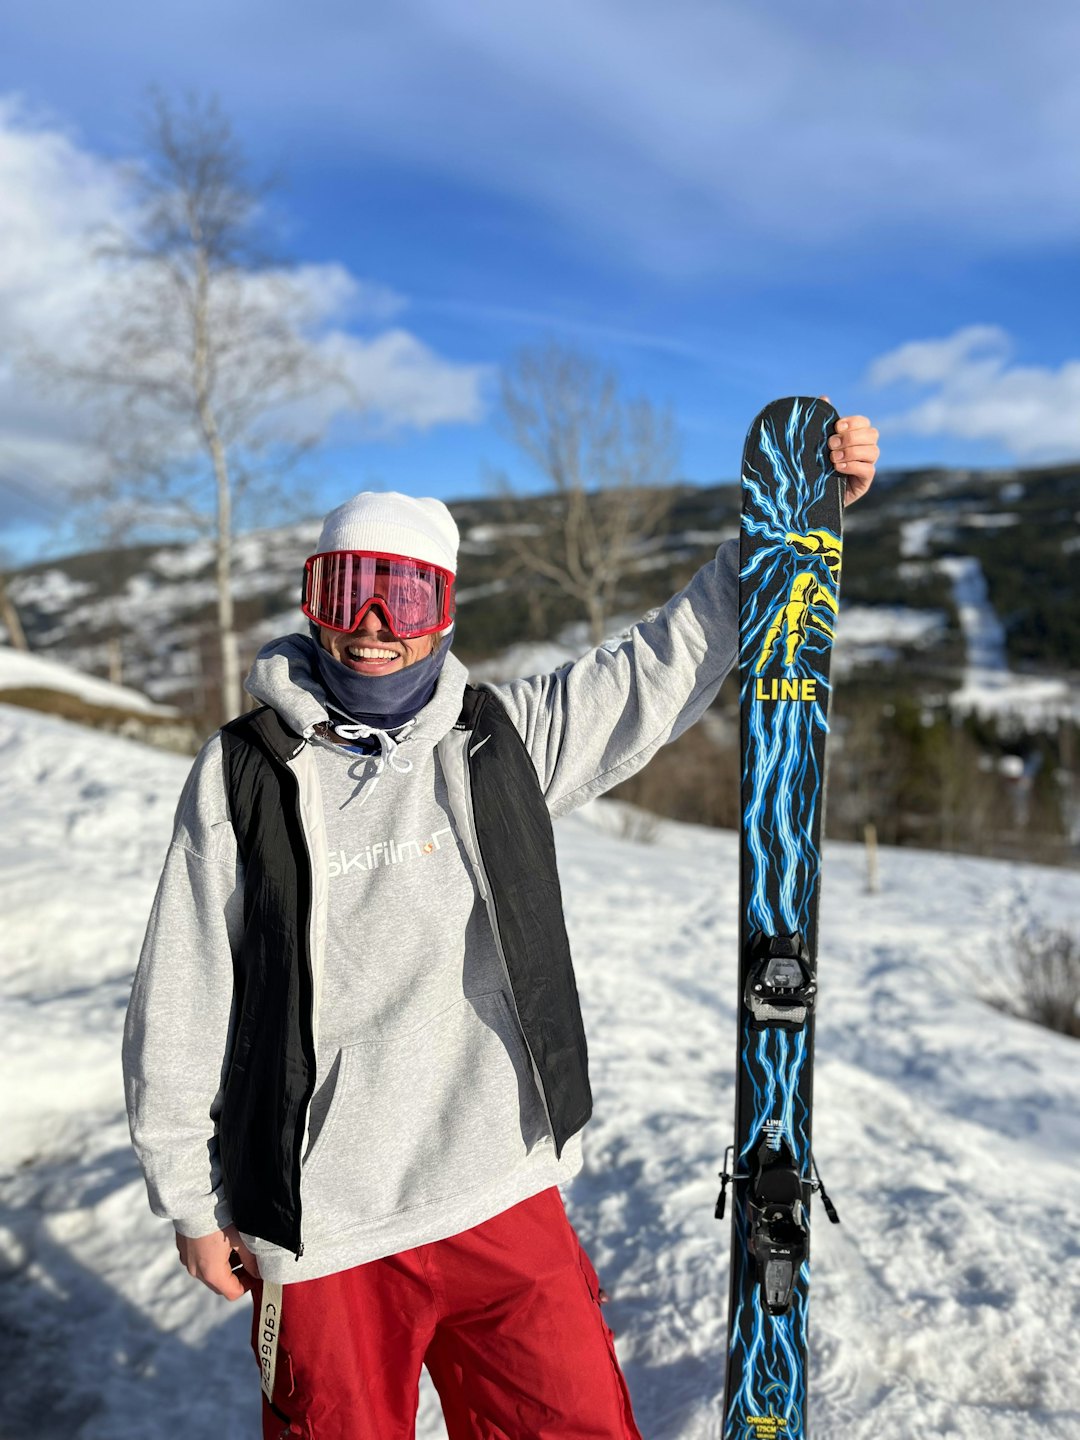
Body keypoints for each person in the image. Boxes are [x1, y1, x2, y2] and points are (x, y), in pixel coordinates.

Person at [123, 414, 879, 1439]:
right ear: (314, 600)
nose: (376, 623)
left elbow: (660, 664)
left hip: (501, 1188)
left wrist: (789, 530)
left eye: (408, 593)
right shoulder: (246, 773)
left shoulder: (500, 741)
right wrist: (191, 1197)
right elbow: (182, 992)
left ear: (446, 609)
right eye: (350, 591)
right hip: (325, 1225)